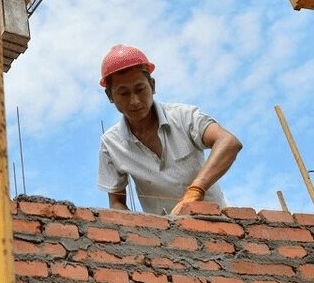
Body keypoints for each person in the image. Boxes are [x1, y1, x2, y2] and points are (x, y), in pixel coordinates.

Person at [97, 44, 241, 215]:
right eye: (123, 93)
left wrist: (195, 192)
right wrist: (141, 228)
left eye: (140, 89)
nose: (134, 101)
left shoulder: (184, 117)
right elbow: (116, 203)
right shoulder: (111, 144)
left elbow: (229, 142)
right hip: (168, 237)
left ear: (152, 85)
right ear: (110, 96)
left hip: (217, 224)